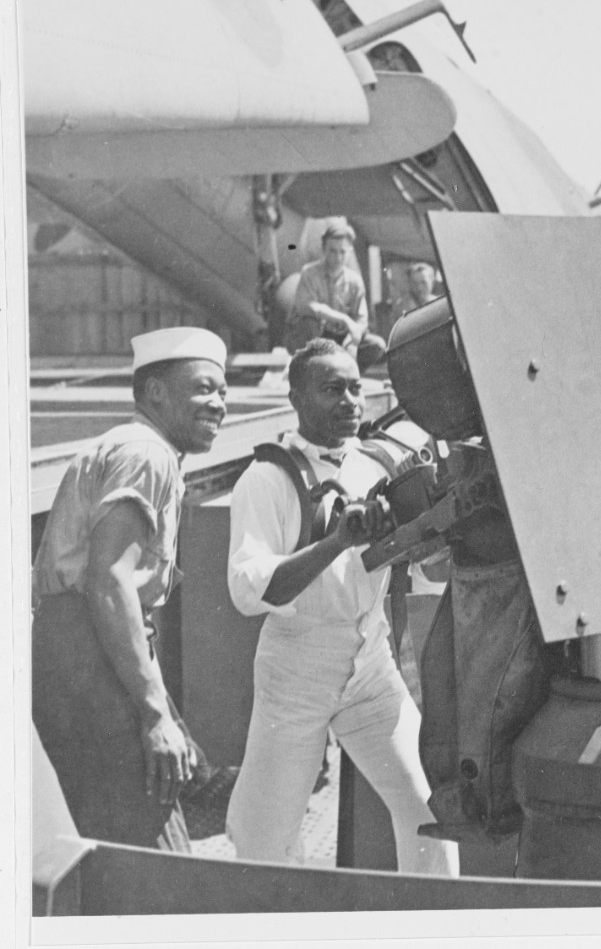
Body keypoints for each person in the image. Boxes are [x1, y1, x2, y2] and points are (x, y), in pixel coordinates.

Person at [224, 338, 458, 875]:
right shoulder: (266, 479)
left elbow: (430, 572)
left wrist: (441, 535)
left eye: (356, 387)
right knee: (264, 840)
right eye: (332, 389)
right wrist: (334, 543)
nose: (351, 400)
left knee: (428, 810)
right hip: (295, 673)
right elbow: (248, 591)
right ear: (296, 397)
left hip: (370, 667)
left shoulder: (379, 463)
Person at [32, 327, 229, 850]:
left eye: (224, 393)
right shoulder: (148, 453)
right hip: (89, 652)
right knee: (156, 858)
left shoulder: (139, 447)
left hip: (80, 650)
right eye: (204, 389)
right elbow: (108, 580)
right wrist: (154, 713)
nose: (218, 404)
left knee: (131, 835)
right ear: (156, 393)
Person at [286, 219, 387, 372]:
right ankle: (310, 372)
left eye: (343, 252)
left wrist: (351, 341)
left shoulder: (354, 281)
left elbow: (361, 319)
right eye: (332, 251)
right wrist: (344, 319)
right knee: (309, 323)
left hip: (340, 339)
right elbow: (307, 306)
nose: (338, 257)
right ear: (324, 250)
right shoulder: (309, 273)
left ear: (350, 252)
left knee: (377, 346)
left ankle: (346, 375)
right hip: (314, 335)